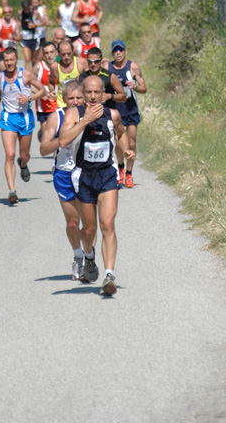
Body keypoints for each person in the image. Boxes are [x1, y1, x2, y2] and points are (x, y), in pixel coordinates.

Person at [59, 75, 135, 295]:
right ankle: (89, 257)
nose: (92, 97)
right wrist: (84, 121)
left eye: (96, 93)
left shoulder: (113, 115)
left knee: (108, 224)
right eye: (88, 93)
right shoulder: (74, 113)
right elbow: (63, 140)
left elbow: (121, 134)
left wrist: (126, 148)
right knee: (89, 229)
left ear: (103, 94)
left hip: (107, 175)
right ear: (83, 94)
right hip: (84, 176)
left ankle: (109, 275)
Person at [40, 80, 84, 279]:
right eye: (71, 98)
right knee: (73, 223)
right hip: (64, 173)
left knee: (90, 224)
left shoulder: (90, 115)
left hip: (86, 173)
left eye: (78, 98)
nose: (75, 102)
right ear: (64, 99)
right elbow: (43, 149)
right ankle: (78, 256)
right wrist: (63, 139)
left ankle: (90, 257)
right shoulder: (55, 117)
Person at [0, 47, 46, 204]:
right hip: (8, 118)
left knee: (23, 156)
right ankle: (12, 191)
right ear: (3, 61)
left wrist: (30, 99)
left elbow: (42, 91)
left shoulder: (26, 75)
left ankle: (23, 165)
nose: (9, 63)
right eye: (6, 60)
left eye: (11, 60)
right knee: (9, 154)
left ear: (17, 60)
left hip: (25, 118)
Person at [108, 40, 147, 188]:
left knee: (131, 143)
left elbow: (144, 88)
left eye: (121, 50)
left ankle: (129, 173)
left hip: (130, 110)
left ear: (125, 52)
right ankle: (120, 168)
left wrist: (135, 86)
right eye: (115, 50)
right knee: (118, 143)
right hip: (116, 111)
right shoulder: (108, 67)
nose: (118, 53)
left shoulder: (133, 67)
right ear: (112, 53)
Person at [48, 40, 87, 108]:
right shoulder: (54, 67)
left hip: (79, 103)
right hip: (62, 104)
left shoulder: (81, 63)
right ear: (58, 54)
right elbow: (51, 82)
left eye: (69, 54)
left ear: (73, 52)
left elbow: (91, 79)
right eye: (63, 54)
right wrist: (52, 91)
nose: (66, 57)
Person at [33, 41, 58, 142]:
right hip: (43, 108)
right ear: (43, 55)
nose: (50, 55)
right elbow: (28, 83)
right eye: (46, 53)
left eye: (52, 52)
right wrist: (39, 93)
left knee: (56, 136)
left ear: (56, 52)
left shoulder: (62, 64)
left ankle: (55, 158)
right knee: (46, 138)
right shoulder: (38, 67)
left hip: (59, 105)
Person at [0, 6, 21, 72]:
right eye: (5, 12)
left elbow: (20, 37)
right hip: (1, 50)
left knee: (11, 70)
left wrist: (13, 37)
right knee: (3, 70)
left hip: (12, 50)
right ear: (3, 14)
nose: (7, 13)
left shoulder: (14, 24)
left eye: (9, 12)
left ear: (11, 13)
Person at [18, 0, 43, 71]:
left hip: (34, 39)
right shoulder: (20, 13)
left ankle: (34, 75)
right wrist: (18, 27)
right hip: (25, 39)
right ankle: (28, 76)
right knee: (27, 59)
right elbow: (18, 21)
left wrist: (34, 25)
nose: (26, 11)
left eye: (28, 9)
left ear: (30, 6)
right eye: (25, 9)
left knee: (34, 60)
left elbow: (42, 23)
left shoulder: (35, 13)